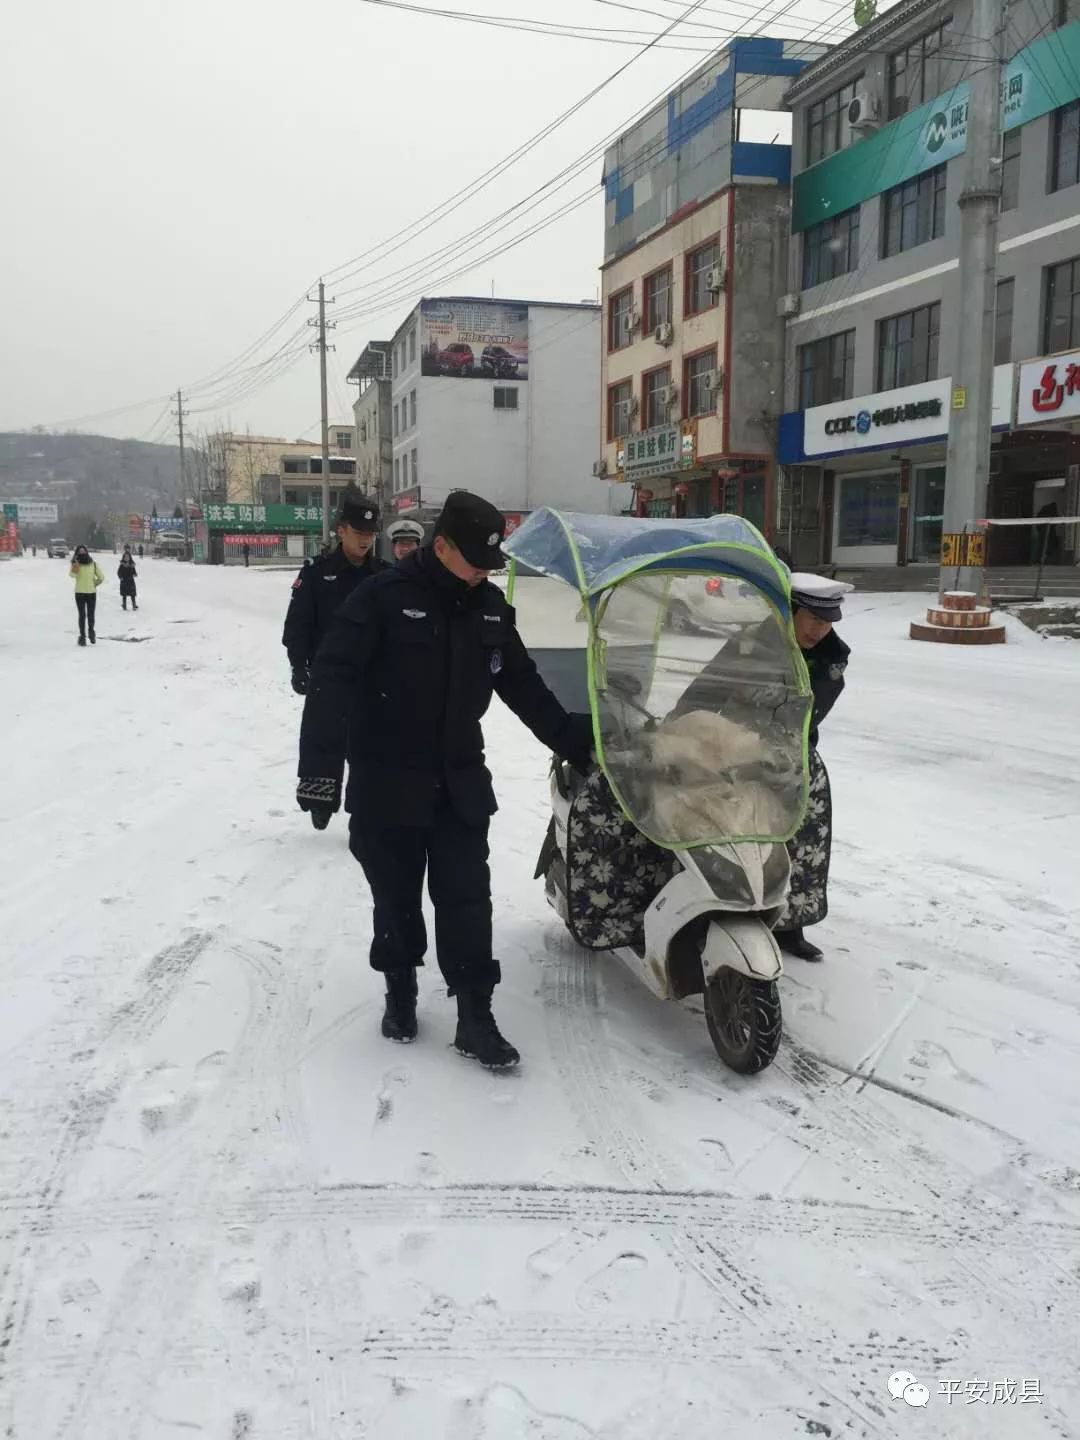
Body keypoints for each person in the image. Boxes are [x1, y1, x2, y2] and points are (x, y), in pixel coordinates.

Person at [297, 491, 592, 1069]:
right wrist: (320, 775)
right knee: (397, 896)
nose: (485, 574)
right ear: (441, 547)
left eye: (491, 565)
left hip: (458, 779)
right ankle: (400, 989)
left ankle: (475, 1015)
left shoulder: (487, 608)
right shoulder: (380, 599)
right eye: (476, 562)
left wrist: (578, 742)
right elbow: (332, 680)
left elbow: (524, 685)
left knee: (466, 899)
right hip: (387, 779)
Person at [773, 574, 852, 962]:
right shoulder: (756, 645)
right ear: (791, 611)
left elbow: (806, 719)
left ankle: (790, 924)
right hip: (736, 750)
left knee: (801, 842)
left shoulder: (829, 660)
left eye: (828, 621)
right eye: (814, 619)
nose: (821, 630)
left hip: (794, 759)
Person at [69, 545, 105, 646]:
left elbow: (101, 577)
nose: (82, 553)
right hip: (80, 593)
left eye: (83, 551)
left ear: (86, 552)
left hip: (90, 593)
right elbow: (72, 575)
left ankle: (90, 633)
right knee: (86, 615)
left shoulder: (93, 564)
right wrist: (75, 565)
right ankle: (84, 636)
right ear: (77, 553)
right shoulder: (77, 564)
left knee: (86, 615)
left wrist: (95, 584)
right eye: (80, 552)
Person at [118, 546, 138, 610]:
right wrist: (120, 577)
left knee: (132, 594)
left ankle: (134, 605)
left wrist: (135, 574)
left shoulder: (132, 565)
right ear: (123, 558)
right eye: (125, 557)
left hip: (130, 581)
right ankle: (124, 605)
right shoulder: (122, 565)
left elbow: (134, 571)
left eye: (128, 557)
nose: (127, 558)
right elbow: (119, 572)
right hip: (124, 581)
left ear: (130, 558)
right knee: (124, 594)